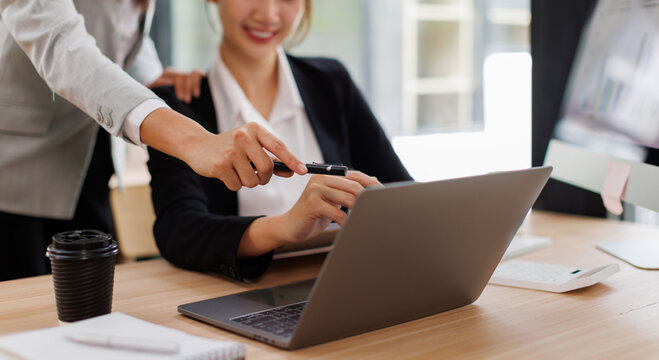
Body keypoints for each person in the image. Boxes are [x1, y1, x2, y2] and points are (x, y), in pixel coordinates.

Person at [0, 0, 306, 281]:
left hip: (88, 161)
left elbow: (122, 30)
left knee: (87, 315)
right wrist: (193, 139)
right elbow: (61, 46)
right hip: (15, 169)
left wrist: (153, 83)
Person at [147, 0, 413, 281]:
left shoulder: (331, 82)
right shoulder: (179, 106)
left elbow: (402, 193)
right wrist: (283, 227)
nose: (268, 14)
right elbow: (178, 230)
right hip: (241, 293)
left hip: (344, 279)